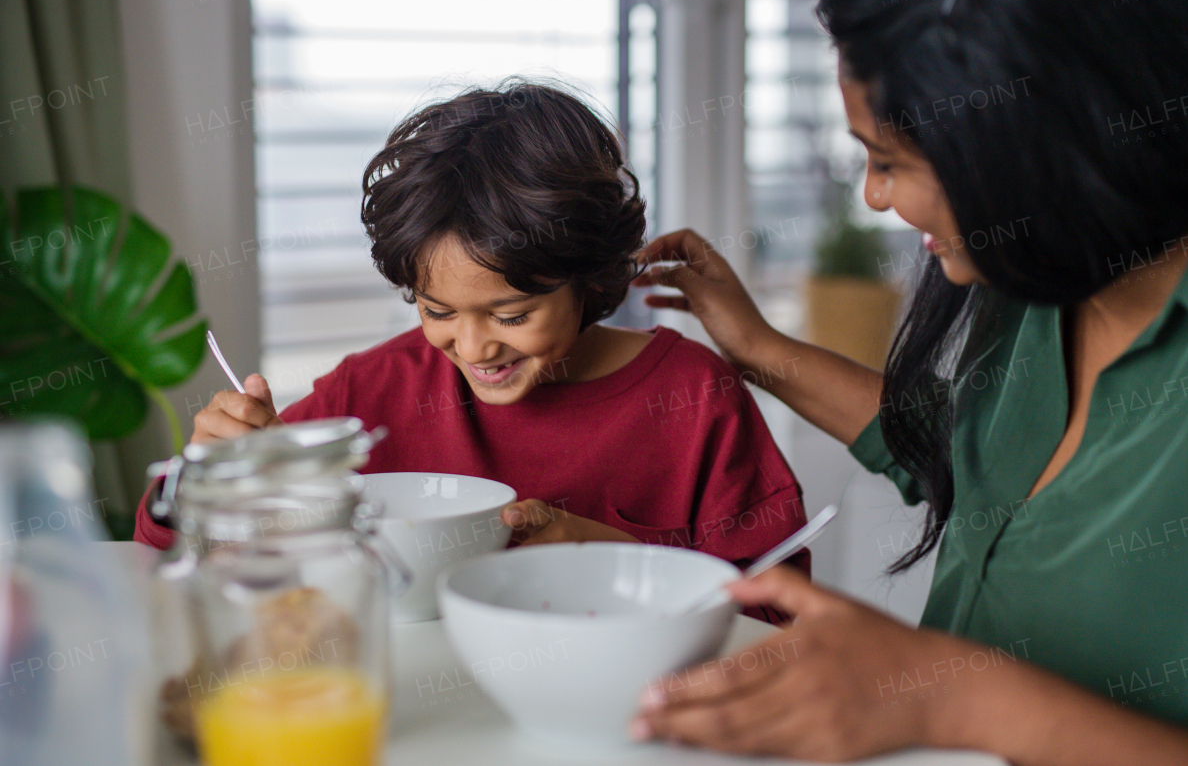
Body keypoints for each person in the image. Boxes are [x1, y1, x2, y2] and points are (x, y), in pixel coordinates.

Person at [629, 0, 1188, 761]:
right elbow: (976, 462)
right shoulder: (1053, 259)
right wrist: (757, 349)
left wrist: (948, 690)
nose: (872, 197)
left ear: (1042, 140)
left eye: (891, 161)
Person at [134, 81, 808, 622]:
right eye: (437, 310)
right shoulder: (370, 391)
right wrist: (204, 478)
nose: (475, 345)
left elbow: (782, 612)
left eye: (511, 314)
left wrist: (607, 549)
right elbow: (167, 551)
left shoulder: (694, 398)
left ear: (594, 278)